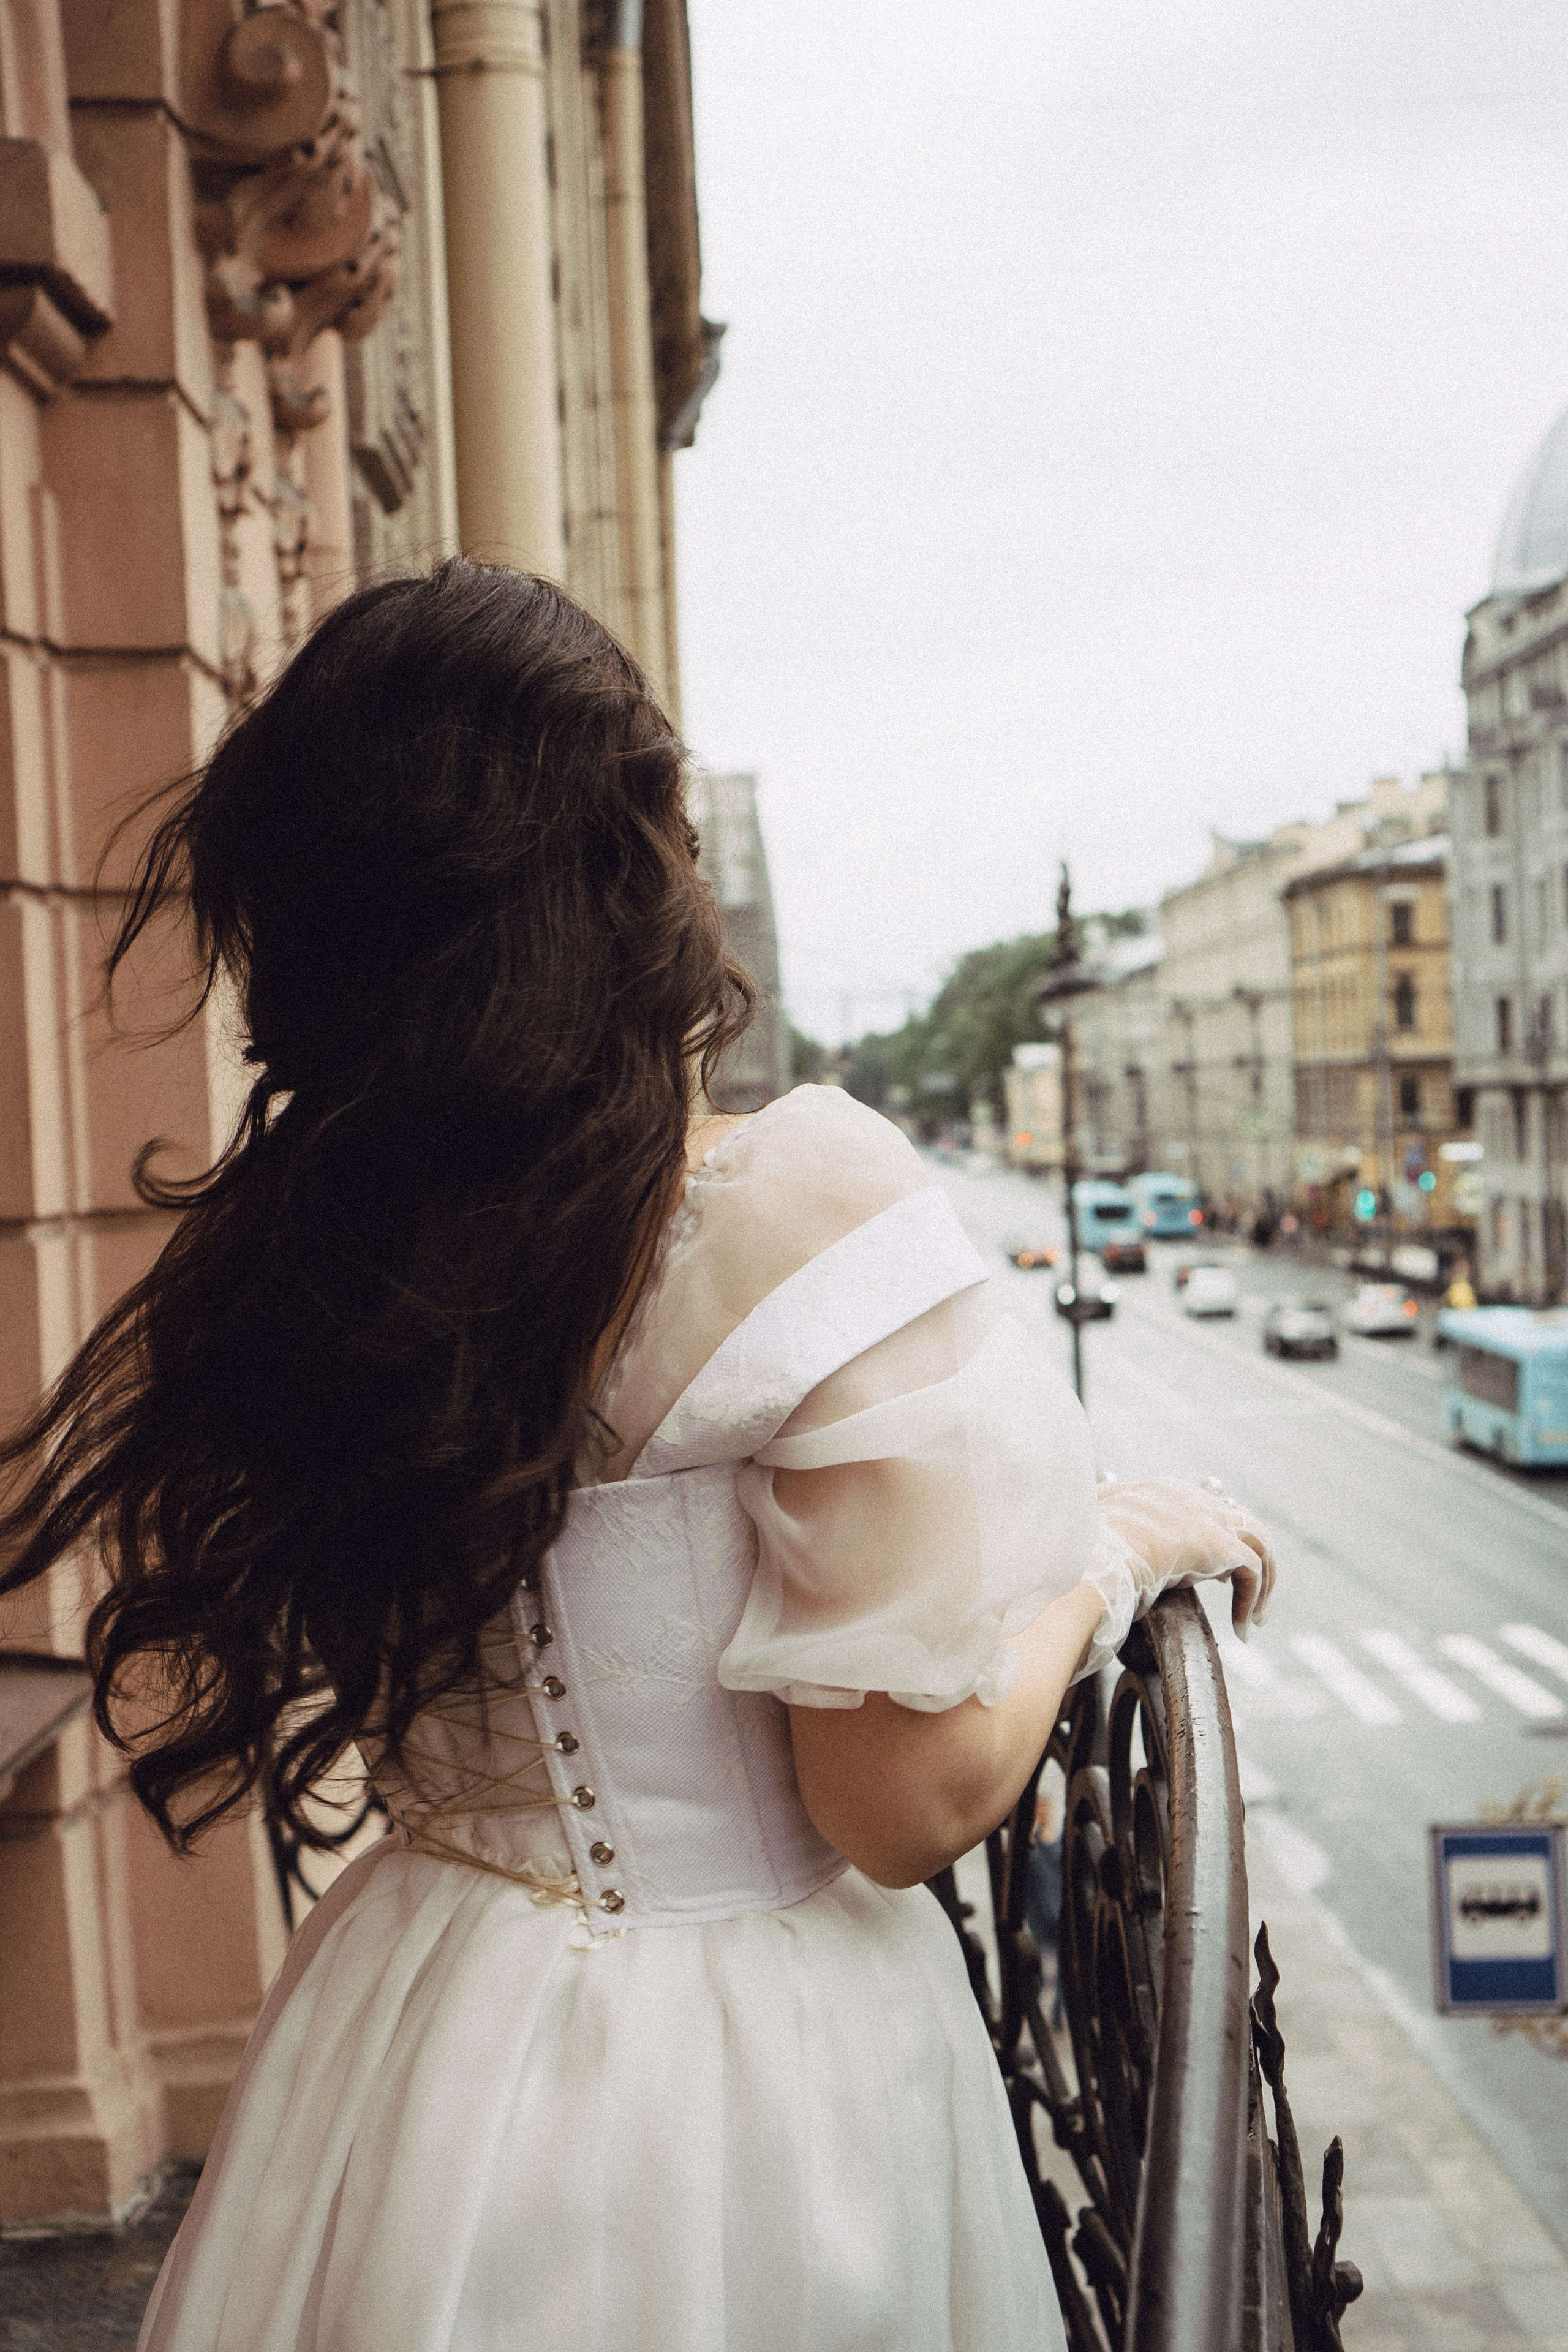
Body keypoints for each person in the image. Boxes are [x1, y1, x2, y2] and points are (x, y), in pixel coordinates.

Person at [0, 563, 1276, 2352]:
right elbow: (900, 1804)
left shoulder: (329, 1250)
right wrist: (1106, 1567)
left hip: (408, 2024)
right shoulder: (798, 1210)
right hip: (754, 2084)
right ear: (619, 866)